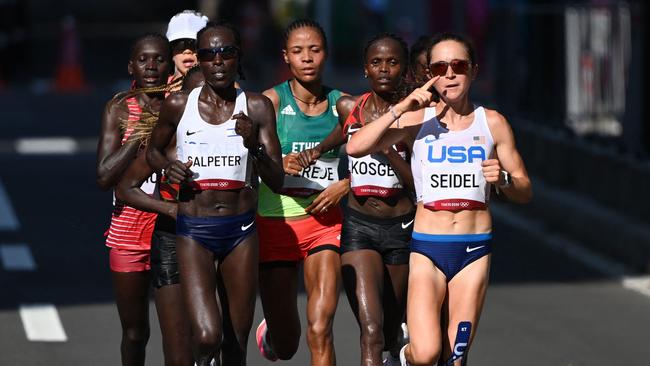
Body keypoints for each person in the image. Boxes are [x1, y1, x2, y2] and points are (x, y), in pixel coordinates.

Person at [346, 32, 532, 366]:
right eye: (440, 67)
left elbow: (524, 188)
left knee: (455, 357)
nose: (449, 74)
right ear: (428, 74)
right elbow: (356, 146)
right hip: (428, 248)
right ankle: (402, 356)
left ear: (473, 70)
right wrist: (401, 108)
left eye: (458, 66)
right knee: (427, 352)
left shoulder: (492, 123)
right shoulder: (418, 120)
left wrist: (503, 180)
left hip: (473, 250)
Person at [146, 21, 284, 366]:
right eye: (208, 54)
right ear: (200, 61)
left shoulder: (257, 107)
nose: (218, 61)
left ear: (238, 58)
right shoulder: (179, 104)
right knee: (208, 336)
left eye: (226, 53)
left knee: (236, 342)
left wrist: (254, 146)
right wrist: (167, 166)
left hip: (240, 231)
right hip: (195, 230)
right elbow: (152, 150)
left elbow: (277, 179)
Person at [254, 19, 349, 366]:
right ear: (286, 58)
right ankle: (274, 332)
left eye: (314, 50)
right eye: (298, 51)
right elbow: (244, 161)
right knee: (288, 345)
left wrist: (347, 184)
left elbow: (380, 158)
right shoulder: (270, 102)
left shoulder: (344, 105)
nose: (307, 58)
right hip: (276, 223)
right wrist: (276, 163)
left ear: (325, 54)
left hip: (324, 225)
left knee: (320, 328)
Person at [113, 66, 205, 366]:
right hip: (169, 242)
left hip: (226, 242)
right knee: (176, 349)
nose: (207, 103)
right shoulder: (167, 139)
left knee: (215, 339)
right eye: (195, 97)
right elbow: (124, 187)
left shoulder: (242, 127)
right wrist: (173, 209)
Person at [337, 33, 415, 366]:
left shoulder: (416, 118)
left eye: (393, 62)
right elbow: (330, 145)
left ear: (405, 69)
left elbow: (419, 185)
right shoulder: (349, 107)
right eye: (376, 62)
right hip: (359, 226)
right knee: (371, 331)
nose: (384, 69)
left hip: (400, 228)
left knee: (393, 329)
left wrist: (386, 149)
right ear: (365, 69)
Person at [96, 33, 172, 366]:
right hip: (128, 236)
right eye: (143, 60)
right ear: (132, 66)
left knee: (179, 332)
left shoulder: (181, 105)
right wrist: (139, 133)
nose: (151, 66)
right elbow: (103, 176)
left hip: (172, 231)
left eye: (158, 59)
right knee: (135, 333)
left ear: (169, 65)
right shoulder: (117, 108)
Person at [166, 10, 209, 89]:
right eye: (179, 44)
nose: (187, 51)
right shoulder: (158, 89)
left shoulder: (224, 88)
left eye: (194, 44)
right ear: (171, 51)